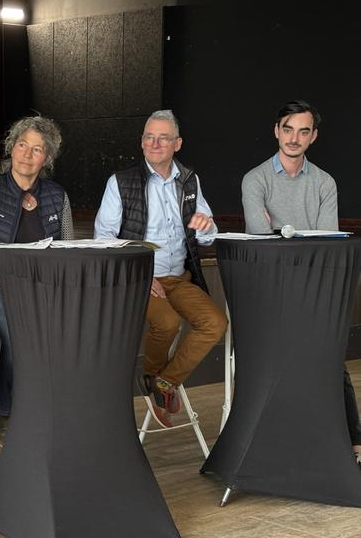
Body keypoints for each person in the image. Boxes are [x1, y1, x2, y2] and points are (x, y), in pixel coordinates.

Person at [242, 99, 361, 467]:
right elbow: (262, 242)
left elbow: (324, 243)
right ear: (277, 130)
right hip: (271, 288)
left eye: (303, 131)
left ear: (314, 137)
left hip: (315, 286)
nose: (295, 138)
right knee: (277, 360)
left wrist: (284, 233)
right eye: (288, 128)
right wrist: (289, 237)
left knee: (328, 358)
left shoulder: (325, 182)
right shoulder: (255, 179)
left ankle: (353, 440)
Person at [94, 109, 227, 427]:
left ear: (177, 144)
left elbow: (208, 235)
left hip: (179, 278)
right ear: (141, 143)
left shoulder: (190, 181)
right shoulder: (121, 182)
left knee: (215, 323)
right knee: (166, 323)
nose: (155, 143)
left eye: (163, 137)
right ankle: (155, 379)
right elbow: (103, 240)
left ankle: (161, 382)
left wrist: (206, 225)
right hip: (139, 278)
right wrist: (141, 274)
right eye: (148, 137)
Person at [0, 115, 74, 444]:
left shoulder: (57, 196)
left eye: (37, 149)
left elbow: (68, 251)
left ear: (47, 158)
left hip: (43, 289)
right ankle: (5, 410)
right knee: (15, 327)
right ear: (12, 148)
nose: (27, 154)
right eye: (22, 145)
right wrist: (4, 281)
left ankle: (52, 408)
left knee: (71, 325)